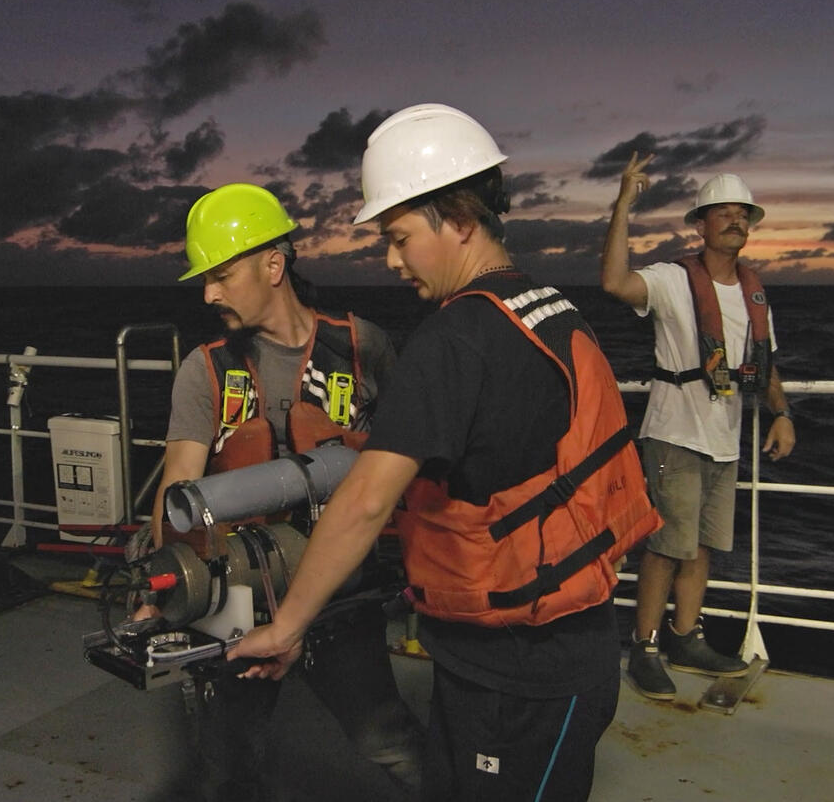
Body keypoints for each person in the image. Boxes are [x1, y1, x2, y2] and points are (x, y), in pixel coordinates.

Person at [232, 104, 661, 802]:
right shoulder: (542, 306)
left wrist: (285, 627)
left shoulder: (453, 340)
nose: (392, 259)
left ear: (459, 218)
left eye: (399, 236)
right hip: (549, 652)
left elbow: (368, 498)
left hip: (521, 683)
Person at [142, 182, 422, 801]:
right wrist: (166, 586)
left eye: (221, 274)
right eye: (204, 279)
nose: (209, 292)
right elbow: (179, 491)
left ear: (274, 265)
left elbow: (406, 466)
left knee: (389, 741)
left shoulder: (363, 347)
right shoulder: (206, 369)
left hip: (339, 591)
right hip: (236, 600)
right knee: (227, 765)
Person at [600, 153, 796, 701]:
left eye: (743, 214)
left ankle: (686, 636)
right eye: (724, 212)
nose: (736, 221)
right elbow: (614, 281)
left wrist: (781, 413)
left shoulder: (754, 292)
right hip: (675, 432)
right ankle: (644, 647)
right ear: (701, 224)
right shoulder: (670, 280)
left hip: (725, 436)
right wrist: (622, 205)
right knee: (665, 545)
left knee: (702, 544)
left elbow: (767, 359)